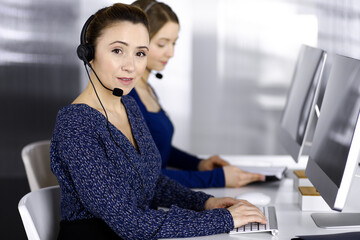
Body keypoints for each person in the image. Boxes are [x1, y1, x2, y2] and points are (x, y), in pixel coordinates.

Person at [50, 3, 266, 239]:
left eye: (140, 53)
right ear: (88, 54)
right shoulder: (76, 124)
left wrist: (205, 203)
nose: (131, 66)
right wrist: (225, 219)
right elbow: (131, 222)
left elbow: (151, 182)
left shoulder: (128, 106)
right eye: (117, 50)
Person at [129, 0, 265, 188]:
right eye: (162, 44)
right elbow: (145, 175)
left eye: (174, 43)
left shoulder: (147, 88)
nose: (171, 53)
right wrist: (218, 178)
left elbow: (157, 150)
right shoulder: (125, 98)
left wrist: (198, 164)